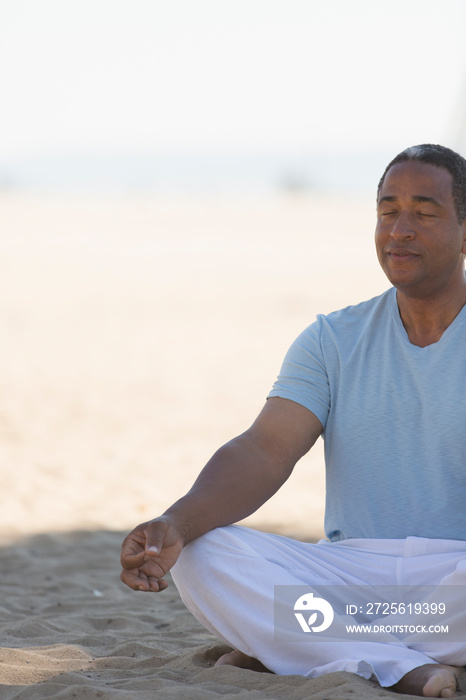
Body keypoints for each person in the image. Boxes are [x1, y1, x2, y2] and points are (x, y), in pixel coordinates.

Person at [121, 144, 466, 698]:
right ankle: (401, 661)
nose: (399, 229)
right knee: (202, 553)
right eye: (386, 211)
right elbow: (266, 449)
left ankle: (312, 645)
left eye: (424, 213)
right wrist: (176, 523)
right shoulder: (332, 340)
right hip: (349, 575)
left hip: (458, 576)